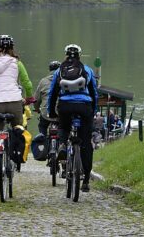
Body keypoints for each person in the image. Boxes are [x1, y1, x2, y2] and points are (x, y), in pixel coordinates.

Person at [0, 34, 34, 192]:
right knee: (18, 130)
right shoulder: (17, 63)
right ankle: (15, 158)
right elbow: (26, 82)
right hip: (14, 102)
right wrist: (29, 97)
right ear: (12, 48)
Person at [47, 44, 98, 192]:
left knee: (63, 127)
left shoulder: (59, 71)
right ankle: (86, 180)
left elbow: (52, 93)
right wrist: (93, 111)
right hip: (84, 107)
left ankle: (62, 145)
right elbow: (94, 93)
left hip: (65, 106)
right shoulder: (87, 70)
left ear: (65, 55)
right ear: (80, 55)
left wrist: (51, 112)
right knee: (86, 143)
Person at [33, 61, 61, 136]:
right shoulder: (64, 81)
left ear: (49, 70)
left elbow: (36, 99)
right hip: (61, 113)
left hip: (46, 113)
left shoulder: (43, 81)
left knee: (42, 126)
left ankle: (43, 141)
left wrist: (37, 109)